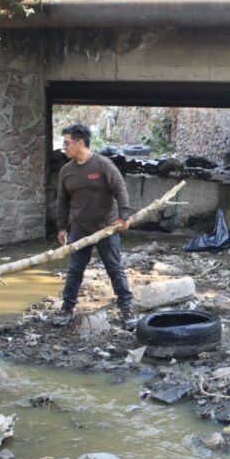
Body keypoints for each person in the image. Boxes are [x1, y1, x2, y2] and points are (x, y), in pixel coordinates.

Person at [53, 123, 135, 328]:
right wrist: (62, 227)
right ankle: (66, 309)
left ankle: (126, 310)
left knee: (114, 269)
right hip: (80, 229)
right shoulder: (66, 171)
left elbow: (120, 189)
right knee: (74, 270)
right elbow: (62, 200)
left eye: (67, 142)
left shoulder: (102, 164)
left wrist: (124, 216)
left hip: (106, 227)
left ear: (80, 142)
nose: (64, 147)